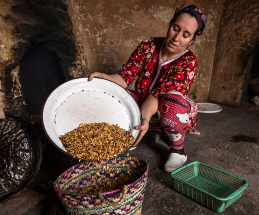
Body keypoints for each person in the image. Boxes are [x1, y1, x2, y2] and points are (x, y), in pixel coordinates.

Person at [88, 5, 207, 172]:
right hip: (142, 103)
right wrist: (104, 78)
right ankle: (129, 136)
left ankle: (178, 150)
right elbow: (124, 77)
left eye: (185, 35)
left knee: (172, 103)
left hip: (169, 112)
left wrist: (144, 119)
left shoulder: (188, 62)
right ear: (170, 24)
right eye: (175, 28)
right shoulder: (148, 45)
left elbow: (156, 97)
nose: (176, 37)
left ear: (192, 40)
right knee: (117, 96)